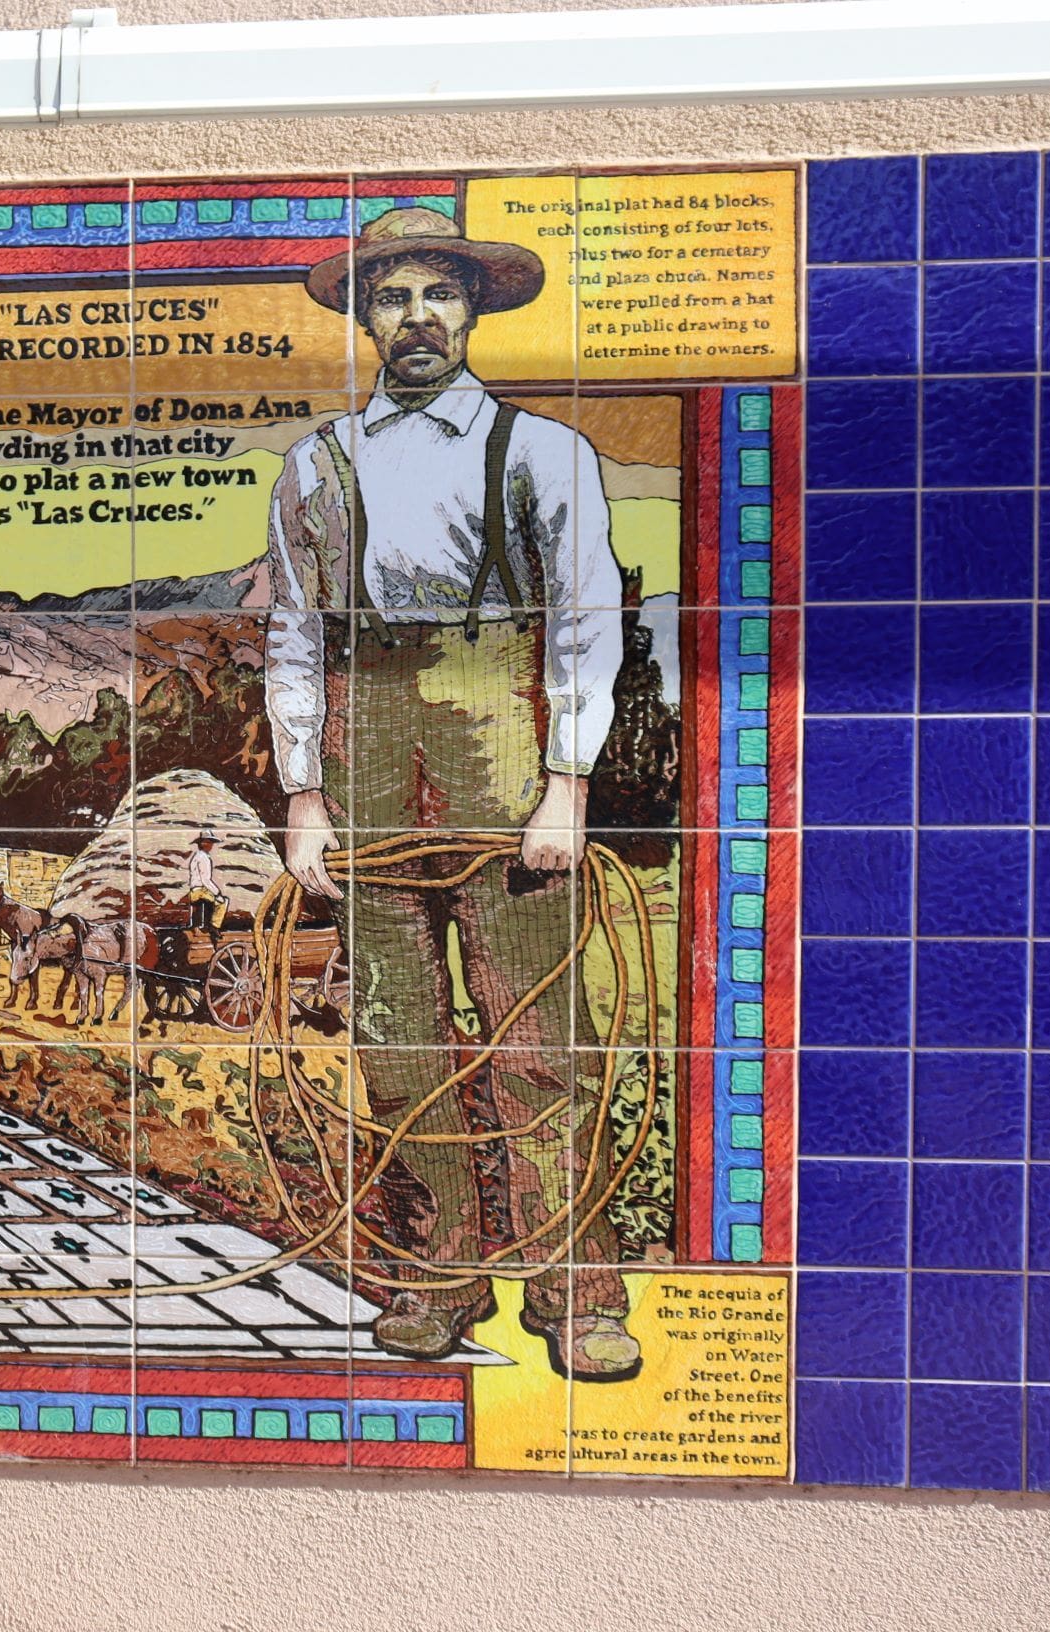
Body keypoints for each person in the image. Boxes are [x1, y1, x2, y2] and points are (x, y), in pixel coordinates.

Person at [264, 206, 637, 1382]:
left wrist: (566, 780)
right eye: (392, 297)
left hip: (498, 729)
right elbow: (293, 633)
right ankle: (440, 1275)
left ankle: (573, 1292)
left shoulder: (540, 453)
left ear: (472, 311)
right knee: (398, 1037)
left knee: (533, 1031)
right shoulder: (316, 465)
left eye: (438, 294)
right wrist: (304, 793)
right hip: (367, 736)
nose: (416, 318)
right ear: (363, 319)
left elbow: (584, 621)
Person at [182, 830, 224, 938]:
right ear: (203, 843)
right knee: (222, 902)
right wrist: (217, 892)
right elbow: (205, 880)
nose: (211, 845)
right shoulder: (203, 858)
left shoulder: (197, 856)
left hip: (194, 891)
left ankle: (205, 925)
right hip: (200, 891)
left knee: (213, 899)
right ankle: (214, 926)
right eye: (209, 842)